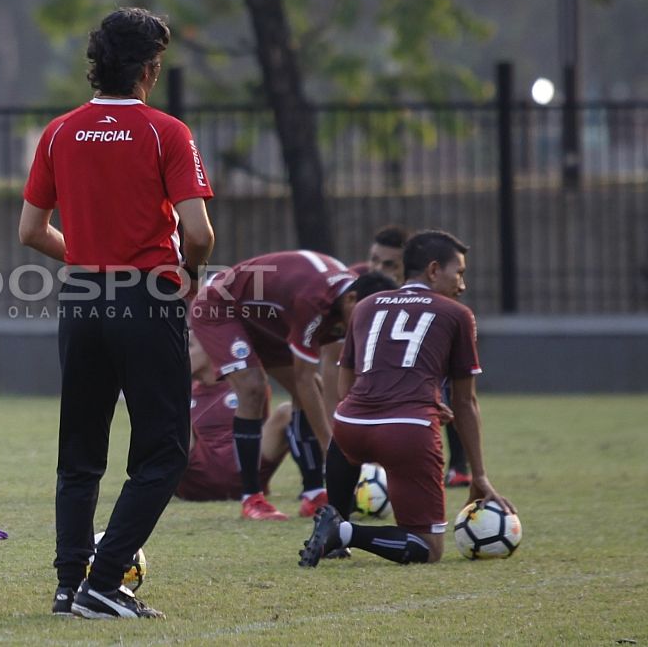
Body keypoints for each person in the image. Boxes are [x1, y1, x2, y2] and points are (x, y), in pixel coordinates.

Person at [19, 7, 214, 619]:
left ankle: (68, 584)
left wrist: (86, 258)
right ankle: (104, 583)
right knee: (164, 452)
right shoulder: (166, 132)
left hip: (79, 298)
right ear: (150, 69)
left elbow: (30, 231)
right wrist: (187, 273)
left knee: (79, 451)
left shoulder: (58, 132)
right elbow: (199, 231)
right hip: (146, 297)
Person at [299, 230, 516, 567]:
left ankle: (335, 516)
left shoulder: (366, 305)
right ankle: (342, 533)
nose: (462, 285)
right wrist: (479, 476)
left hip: (350, 424)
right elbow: (465, 403)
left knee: (345, 435)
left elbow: (345, 388)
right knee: (427, 547)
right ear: (433, 270)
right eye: (458, 273)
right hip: (408, 430)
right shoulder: (458, 314)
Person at [189, 251, 397, 521]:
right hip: (220, 307)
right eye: (365, 317)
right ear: (351, 299)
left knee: (312, 389)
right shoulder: (315, 300)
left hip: (266, 316)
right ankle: (252, 499)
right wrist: (332, 449)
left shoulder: (349, 300)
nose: (366, 326)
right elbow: (303, 377)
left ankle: (313, 494)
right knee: (253, 388)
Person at [350, 224, 472, 489]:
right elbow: (341, 368)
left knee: (447, 388)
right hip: (378, 416)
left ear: (407, 267)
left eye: (389, 264)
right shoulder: (362, 290)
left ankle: (459, 467)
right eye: (374, 260)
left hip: (393, 415)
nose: (379, 270)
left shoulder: (440, 308)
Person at [175, 334, 241, 502]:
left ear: (210, 348)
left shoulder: (247, 387)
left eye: (188, 346)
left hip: (241, 471)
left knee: (285, 412)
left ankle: (312, 488)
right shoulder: (183, 394)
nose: (180, 352)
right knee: (173, 408)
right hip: (194, 475)